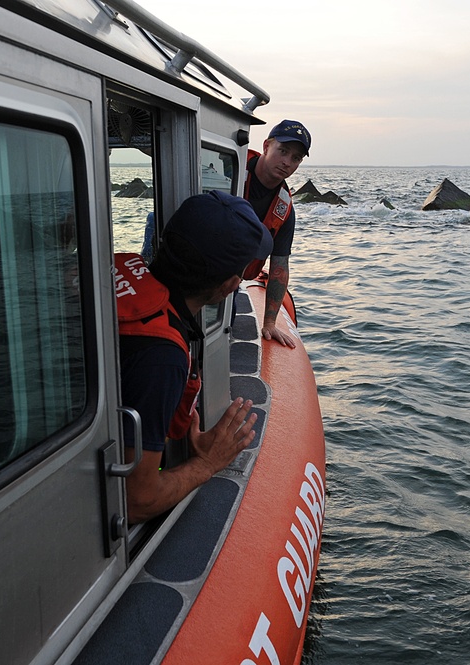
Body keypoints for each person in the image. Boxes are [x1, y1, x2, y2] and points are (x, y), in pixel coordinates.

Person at [116, 191, 273, 523]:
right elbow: (136, 501)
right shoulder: (162, 358)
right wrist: (208, 463)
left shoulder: (118, 275)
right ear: (230, 285)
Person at [243, 119, 311, 348]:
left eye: (296, 158)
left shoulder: (285, 209)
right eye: (283, 151)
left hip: (227, 283)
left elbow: (279, 265)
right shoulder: (231, 169)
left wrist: (269, 323)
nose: (287, 162)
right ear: (266, 146)